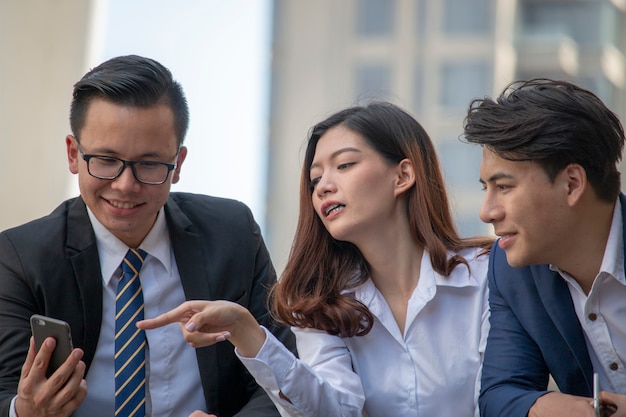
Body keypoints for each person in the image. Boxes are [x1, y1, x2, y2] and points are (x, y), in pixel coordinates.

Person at [138, 101, 495, 417]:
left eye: (345, 165)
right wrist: (249, 333)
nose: (323, 185)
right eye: (315, 178)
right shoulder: (320, 306)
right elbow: (333, 410)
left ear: (403, 175)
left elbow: (501, 397)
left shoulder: (486, 274)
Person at [0, 54, 294, 417]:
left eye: (149, 164)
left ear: (178, 164)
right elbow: (5, 391)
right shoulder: (21, 257)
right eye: (106, 160)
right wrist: (24, 411)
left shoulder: (231, 232)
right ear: (74, 154)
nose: (126, 185)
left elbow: (281, 378)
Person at [463, 78, 626, 417]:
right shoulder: (511, 269)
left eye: (504, 187)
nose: (487, 212)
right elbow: (500, 394)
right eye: (485, 189)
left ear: (571, 184)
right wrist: (584, 410)